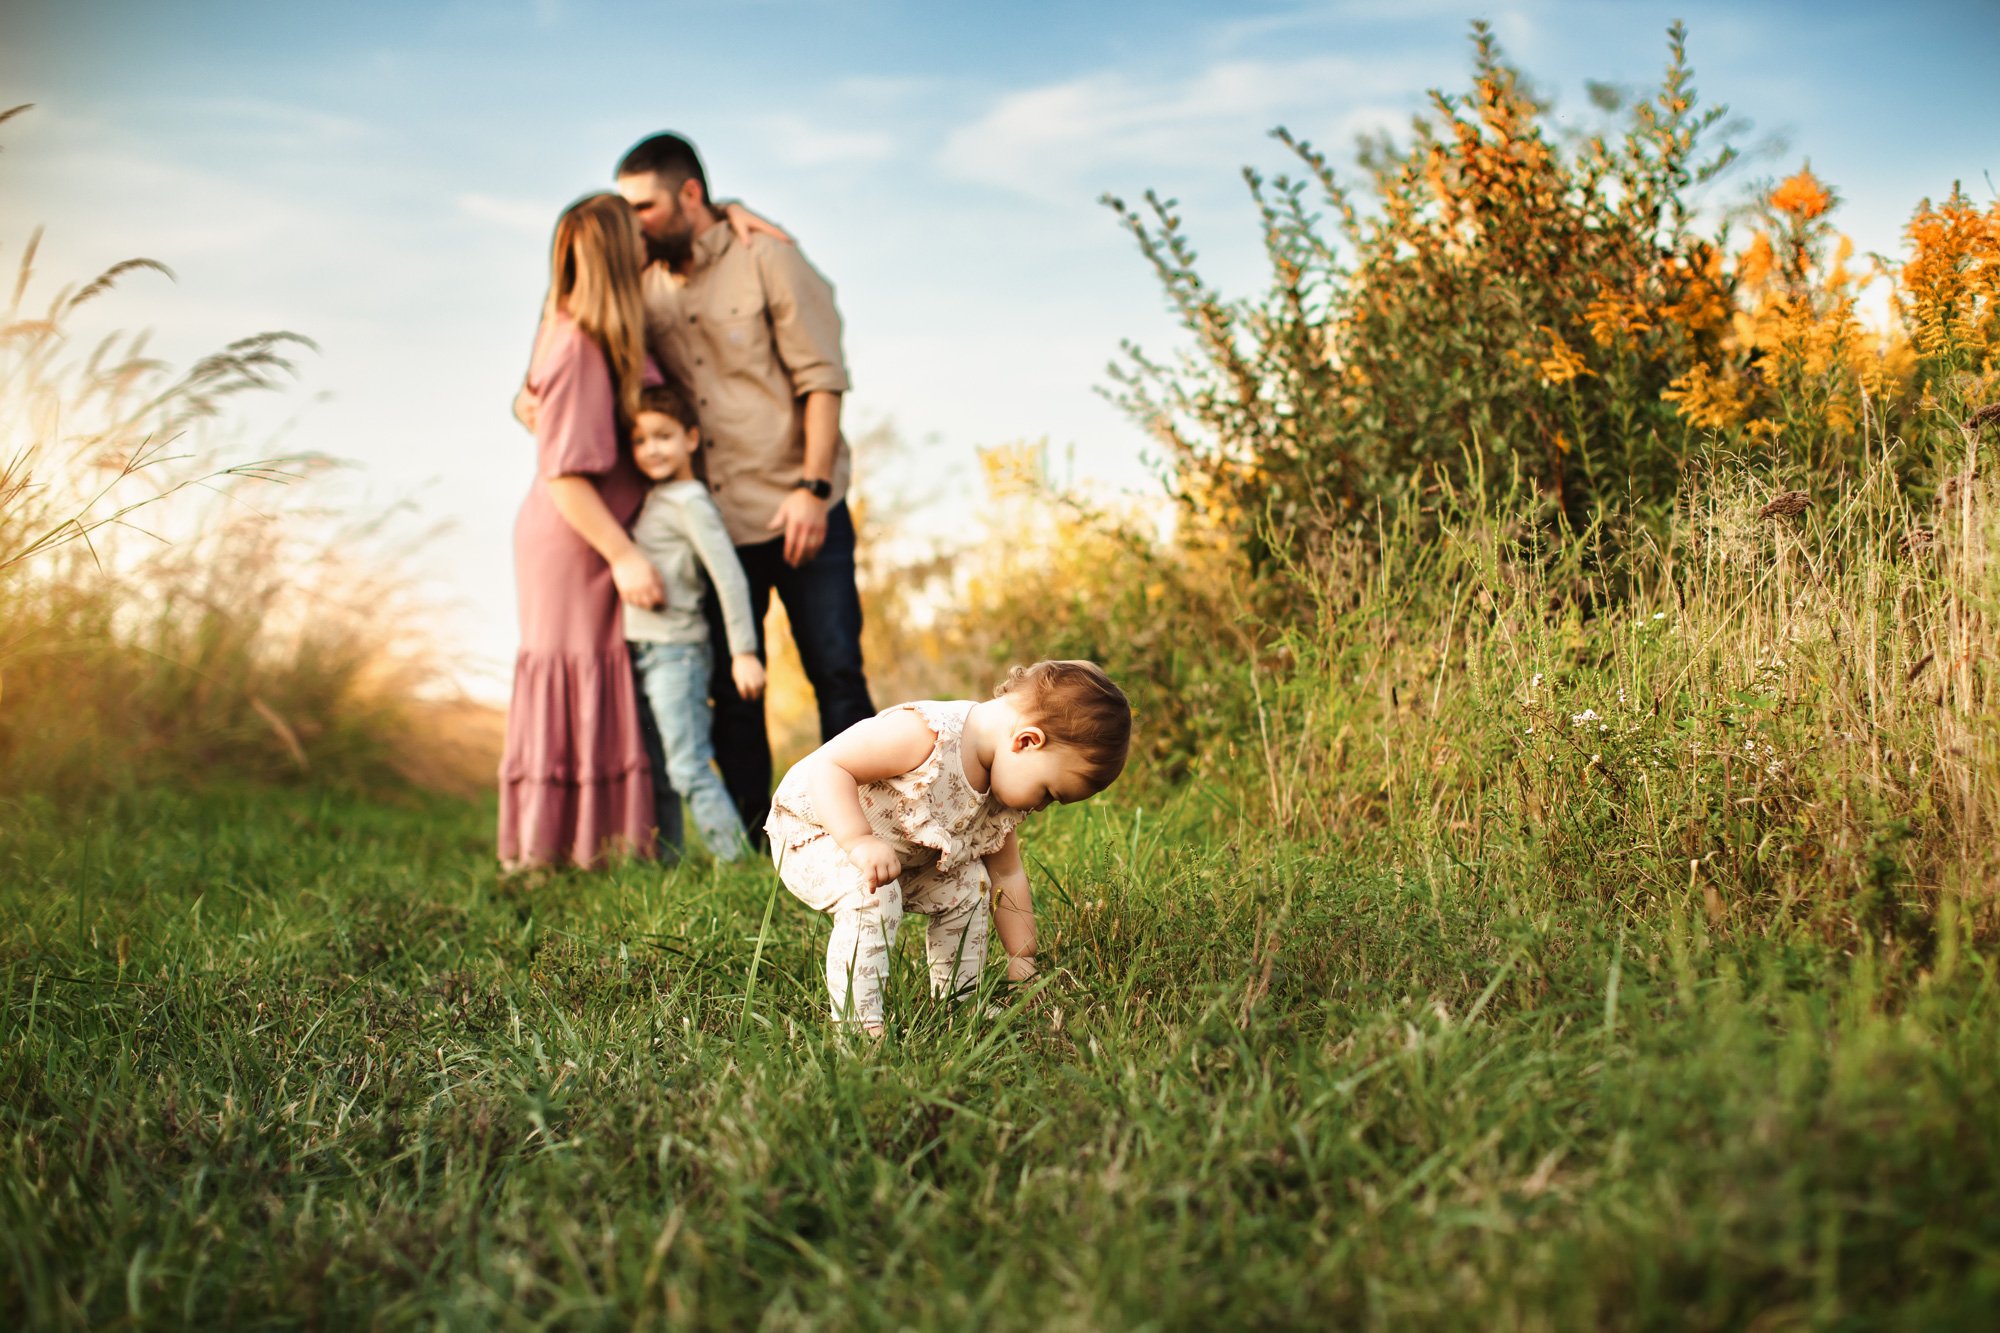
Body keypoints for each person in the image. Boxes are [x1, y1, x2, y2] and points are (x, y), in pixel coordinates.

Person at [617, 132, 876, 840]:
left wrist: (813, 488)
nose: (632, 221)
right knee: (734, 692)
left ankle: (871, 834)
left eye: (643, 205)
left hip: (798, 508)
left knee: (837, 673)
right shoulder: (643, 283)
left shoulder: (770, 258)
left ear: (690, 195)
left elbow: (822, 379)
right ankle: (765, 848)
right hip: (717, 522)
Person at [766, 661, 1132, 1034]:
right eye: (1049, 794)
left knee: (971, 884)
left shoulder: (1000, 794)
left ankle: (959, 1003)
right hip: (815, 830)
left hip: (894, 855)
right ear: (1026, 741)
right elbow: (829, 767)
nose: (1039, 807)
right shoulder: (927, 735)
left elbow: (1008, 874)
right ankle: (860, 1025)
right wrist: (858, 840)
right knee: (872, 893)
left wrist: (1023, 957)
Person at [498, 192, 664, 870]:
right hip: (579, 538)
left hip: (593, 534)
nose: (647, 240)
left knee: (598, 680)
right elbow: (563, 473)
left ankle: (598, 845)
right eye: (635, 233)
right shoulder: (576, 342)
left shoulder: (593, 332)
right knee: (576, 680)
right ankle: (550, 852)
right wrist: (624, 555)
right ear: (616, 253)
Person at [624, 381, 767, 861]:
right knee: (662, 767)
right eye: (640, 440)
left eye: (663, 436)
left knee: (688, 767)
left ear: (690, 438)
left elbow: (729, 578)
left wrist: (744, 652)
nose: (651, 450)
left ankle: (737, 863)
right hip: (647, 648)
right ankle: (667, 859)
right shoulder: (659, 497)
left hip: (676, 653)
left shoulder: (690, 501)